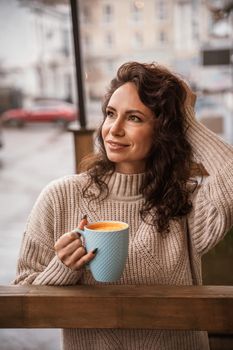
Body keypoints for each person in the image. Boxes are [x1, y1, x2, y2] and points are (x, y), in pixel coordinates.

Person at [13, 62, 233, 350]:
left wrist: (186, 119)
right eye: (110, 114)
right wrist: (64, 267)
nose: (113, 130)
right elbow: (22, 300)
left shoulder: (186, 202)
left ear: (164, 130)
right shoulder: (61, 196)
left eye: (134, 118)